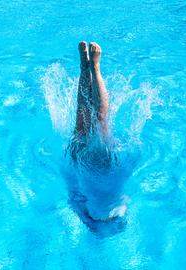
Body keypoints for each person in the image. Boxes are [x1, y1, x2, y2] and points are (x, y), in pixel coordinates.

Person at [66, 41, 126, 225]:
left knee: (100, 120)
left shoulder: (115, 213)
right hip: (79, 165)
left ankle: (94, 68)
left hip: (99, 170)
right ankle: (86, 68)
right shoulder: (85, 216)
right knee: (83, 117)